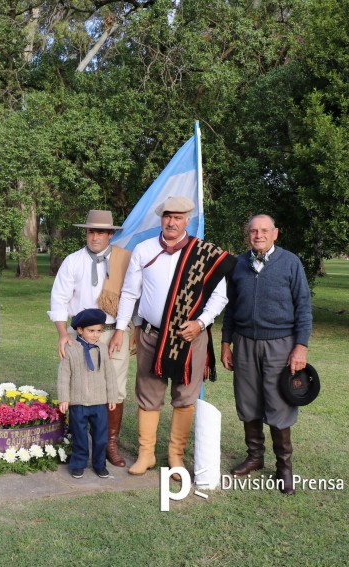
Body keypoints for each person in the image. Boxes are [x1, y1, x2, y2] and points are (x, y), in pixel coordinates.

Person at [109, 196, 235, 479]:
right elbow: (130, 292)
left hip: (189, 338)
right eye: (168, 216)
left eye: (178, 217)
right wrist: (122, 327)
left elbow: (220, 296)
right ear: (161, 218)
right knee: (148, 395)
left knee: (185, 396)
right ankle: (146, 454)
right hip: (152, 336)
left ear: (187, 220)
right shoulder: (144, 249)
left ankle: (176, 457)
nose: (172, 222)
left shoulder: (203, 253)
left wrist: (200, 323)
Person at [221, 214, 312, 495]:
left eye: (264, 230)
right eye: (253, 231)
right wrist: (225, 343)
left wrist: (301, 346)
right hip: (245, 342)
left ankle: (284, 466)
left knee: (278, 403)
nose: (258, 235)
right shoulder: (238, 264)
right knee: (248, 401)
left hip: (280, 344)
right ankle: (255, 457)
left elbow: (303, 306)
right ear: (247, 234)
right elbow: (231, 307)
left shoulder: (290, 262)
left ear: (275, 233)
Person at [48, 209, 132, 467]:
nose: (95, 237)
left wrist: (125, 330)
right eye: (91, 231)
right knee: (79, 388)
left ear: (110, 235)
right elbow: (59, 298)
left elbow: (132, 296)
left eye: (101, 232)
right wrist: (63, 333)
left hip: (114, 332)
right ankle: (80, 444)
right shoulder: (73, 261)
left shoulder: (124, 260)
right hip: (81, 334)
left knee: (115, 388)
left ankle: (109, 445)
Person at [58, 308, 119, 479]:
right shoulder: (70, 349)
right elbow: (64, 375)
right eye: (91, 331)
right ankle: (78, 463)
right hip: (78, 402)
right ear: (80, 330)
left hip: (99, 402)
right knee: (79, 436)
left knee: (100, 437)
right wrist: (64, 398)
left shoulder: (102, 349)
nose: (95, 335)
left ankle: (100, 464)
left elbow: (110, 375)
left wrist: (112, 397)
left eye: (99, 331)